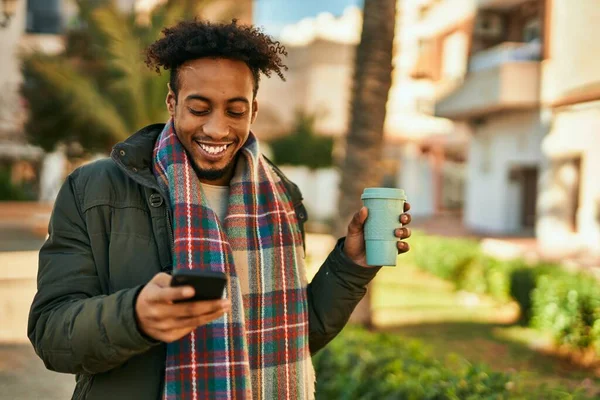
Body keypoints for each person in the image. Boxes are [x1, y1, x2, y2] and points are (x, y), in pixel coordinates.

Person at [28, 20, 412, 400]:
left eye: (234, 111)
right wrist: (135, 316)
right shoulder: (95, 189)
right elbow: (51, 332)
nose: (216, 129)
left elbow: (290, 335)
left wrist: (350, 265)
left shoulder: (281, 198)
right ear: (172, 102)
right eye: (199, 108)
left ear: (253, 111)